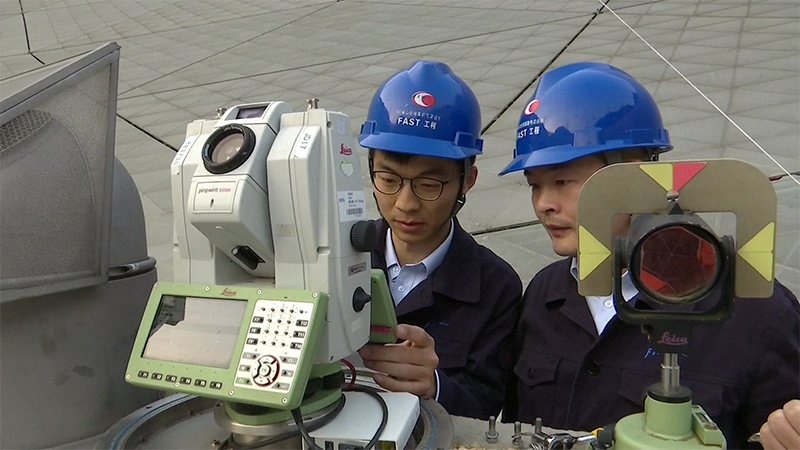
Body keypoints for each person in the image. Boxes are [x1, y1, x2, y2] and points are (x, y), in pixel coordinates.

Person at [498, 62, 800, 449]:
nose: (544, 204)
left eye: (562, 181)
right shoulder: (544, 294)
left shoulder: (756, 314)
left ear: (634, 173)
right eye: (534, 185)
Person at [355, 60, 523, 420]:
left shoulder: (496, 287)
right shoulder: (340, 254)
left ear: (467, 181)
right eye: (388, 180)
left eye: (429, 185)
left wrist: (435, 386)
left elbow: (487, 405)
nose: (405, 203)